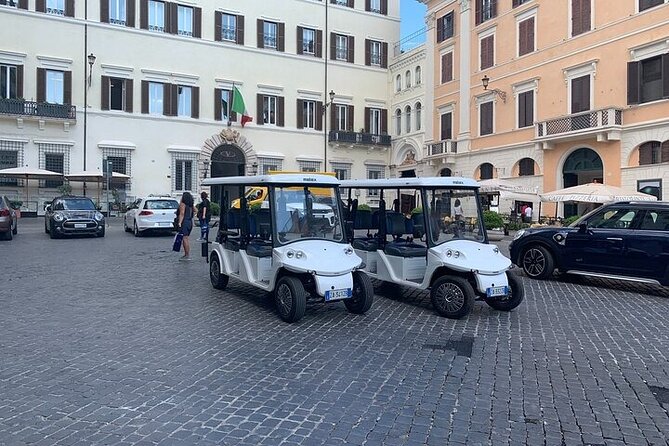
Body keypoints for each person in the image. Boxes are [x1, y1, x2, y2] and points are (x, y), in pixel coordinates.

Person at [177, 191, 197, 261]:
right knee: (186, 238)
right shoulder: (191, 204)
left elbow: (182, 213)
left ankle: (186, 255)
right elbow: (196, 210)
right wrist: (191, 216)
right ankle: (187, 254)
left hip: (185, 222)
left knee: (185, 239)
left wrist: (179, 222)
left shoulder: (183, 204)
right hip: (189, 222)